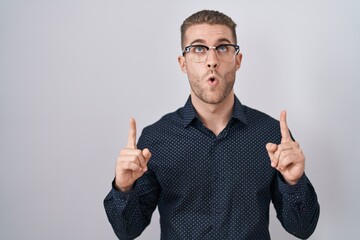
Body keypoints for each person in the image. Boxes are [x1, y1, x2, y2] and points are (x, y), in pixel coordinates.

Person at [104, 10, 320, 240]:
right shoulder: (156, 139)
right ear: (183, 63)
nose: (212, 61)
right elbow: (127, 231)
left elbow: (302, 229)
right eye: (198, 48)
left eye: (223, 48)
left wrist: (294, 182)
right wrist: (124, 189)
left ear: (237, 60)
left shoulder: (272, 135)